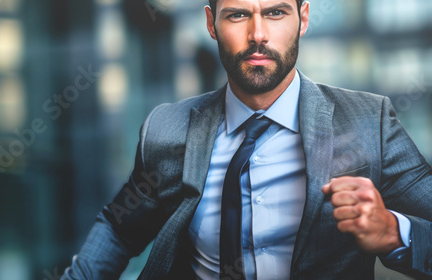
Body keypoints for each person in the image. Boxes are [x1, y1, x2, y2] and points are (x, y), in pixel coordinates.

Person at [62, 0, 432, 279]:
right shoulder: (168, 128)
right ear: (211, 22)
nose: (258, 35)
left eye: (275, 13)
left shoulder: (370, 122)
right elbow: (119, 228)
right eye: (238, 14)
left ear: (303, 18)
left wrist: (395, 231)